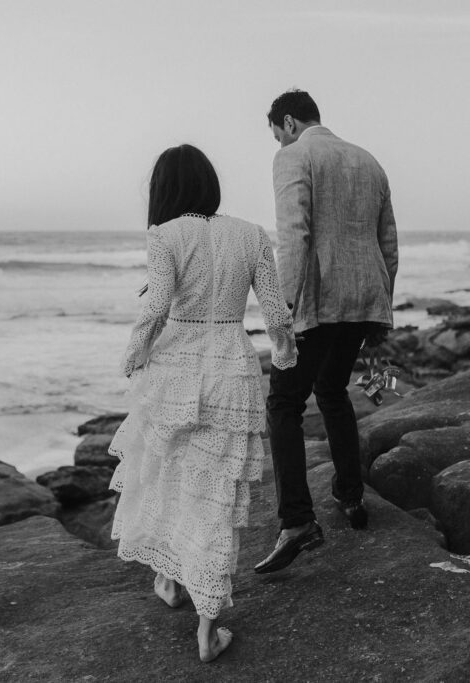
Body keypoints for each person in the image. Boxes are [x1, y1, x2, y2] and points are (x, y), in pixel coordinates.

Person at [108, 144, 297, 662]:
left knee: (172, 480)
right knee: (215, 498)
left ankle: (175, 587)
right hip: (232, 372)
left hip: (175, 373)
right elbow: (277, 312)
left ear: (164, 191)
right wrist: (283, 354)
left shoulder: (165, 236)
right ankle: (204, 625)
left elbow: (154, 310)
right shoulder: (251, 235)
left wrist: (132, 358)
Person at [253, 90, 399, 575]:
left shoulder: (293, 157)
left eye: (275, 134)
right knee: (333, 392)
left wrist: (283, 311)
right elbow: (388, 243)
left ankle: (297, 522)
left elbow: (293, 236)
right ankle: (351, 496)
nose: (277, 142)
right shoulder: (368, 160)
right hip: (363, 298)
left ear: (288, 123)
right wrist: (383, 308)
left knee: (283, 404)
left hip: (317, 301)